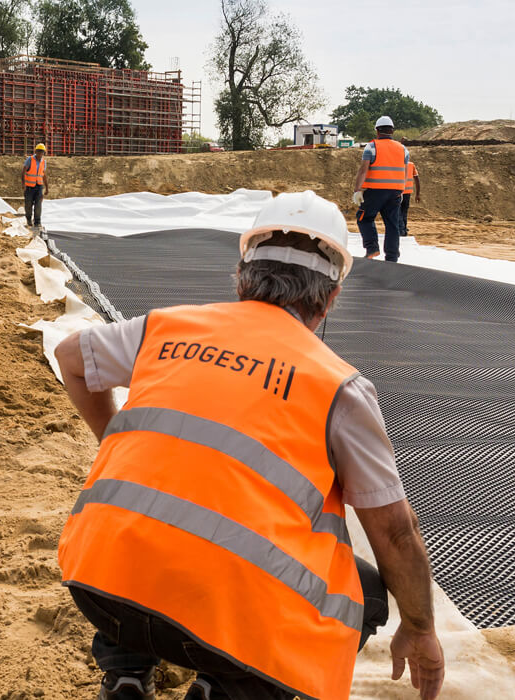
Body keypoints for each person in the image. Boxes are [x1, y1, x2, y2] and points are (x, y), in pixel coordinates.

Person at [54, 190, 445, 700]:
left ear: (241, 277)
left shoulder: (166, 329)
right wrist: (420, 629)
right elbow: (394, 533)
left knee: (147, 516)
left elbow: (70, 357)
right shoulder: (339, 387)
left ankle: (125, 675)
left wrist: (113, 440)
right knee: (367, 592)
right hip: (223, 623)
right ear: (330, 298)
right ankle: (231, 686)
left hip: (98, 586)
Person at [351, 116, 409, 262]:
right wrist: (401, 191)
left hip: (375, 191)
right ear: (392, 131)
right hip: (395, 192)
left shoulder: (371, 146)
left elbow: (363, 170)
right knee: (392, 225)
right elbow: (405, 171)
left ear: (377, 131)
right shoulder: (403, 149)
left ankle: (372, 249)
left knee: (364, 218)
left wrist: (357, 190)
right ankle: (392, 257)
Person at [22, 143, 48, 229]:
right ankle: (29, 219)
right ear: (35, 151)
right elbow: (23, 171)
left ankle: (37, 222)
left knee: (38, 205)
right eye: (39, 151)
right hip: (29, 187)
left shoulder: (43, 162)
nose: (40, 154)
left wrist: (46, 187)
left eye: (42, 152)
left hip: (39, 187)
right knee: (28, 205)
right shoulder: (30, 159)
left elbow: (43, 175)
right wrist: (23, 184)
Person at [401, 160, 420, 237]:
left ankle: (402, 229)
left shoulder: (395, 163)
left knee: (397, 212)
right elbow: (417, 180)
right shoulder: (411, 164)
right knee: (404, 212)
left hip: (397, 192)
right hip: (407, 193)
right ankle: (403, 229)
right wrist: (417, 194)